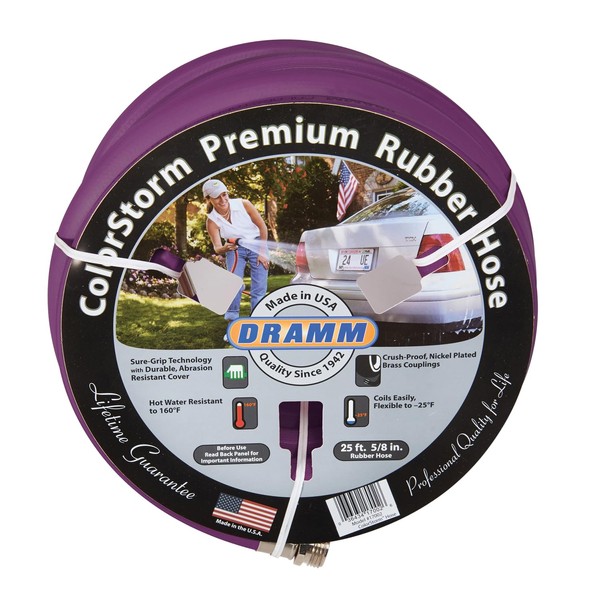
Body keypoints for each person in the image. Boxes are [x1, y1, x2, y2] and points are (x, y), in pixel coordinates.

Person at [203, 179, 269, 322]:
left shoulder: (244, 204)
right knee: (233, 284)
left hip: (257, 245)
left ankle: (258, 319)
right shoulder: (212, 221)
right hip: (235, 249)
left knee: (259, 288)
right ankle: (232, 317)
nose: (223, 200)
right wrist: (225, 248)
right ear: (208, 199)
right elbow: (217, 248)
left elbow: (263, 227)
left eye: (224, 194)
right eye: (217, 197)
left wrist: (262, 252)